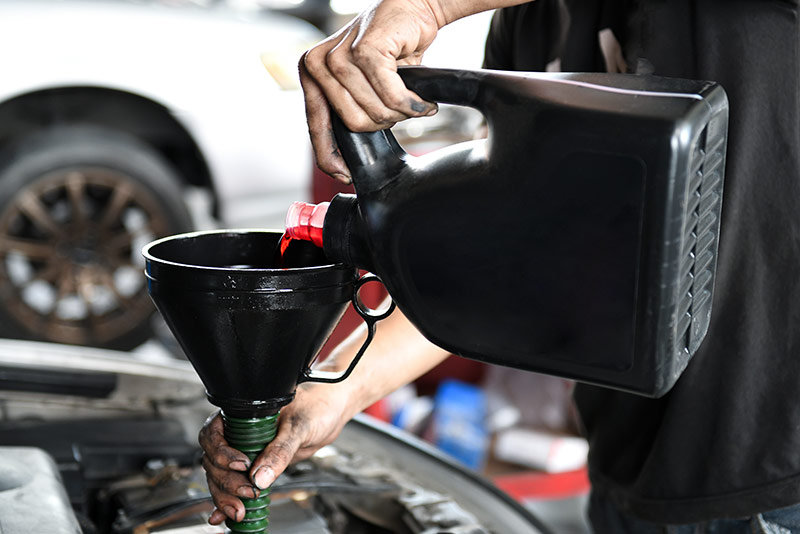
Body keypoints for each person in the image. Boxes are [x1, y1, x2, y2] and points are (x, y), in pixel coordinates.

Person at [200, 0, 800, 532]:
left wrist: (432, 7)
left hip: (776, 482)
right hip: (629, 471)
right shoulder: (531, 27)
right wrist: (335, 389)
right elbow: (501, 272)